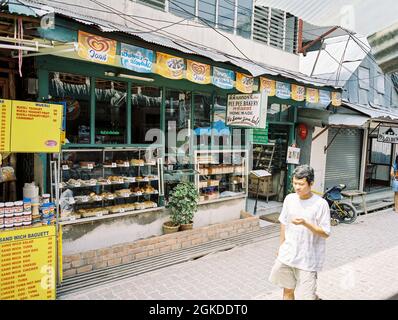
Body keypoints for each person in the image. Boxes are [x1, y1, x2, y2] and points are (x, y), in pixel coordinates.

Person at [268, 165, 331, 300]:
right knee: (288, 291)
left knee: (307, 297)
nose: (297, 187)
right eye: (295, 183)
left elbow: (325, 233)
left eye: (301, 184)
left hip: (308, 259)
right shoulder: (289, 199)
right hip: (288, 254)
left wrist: (305, 223)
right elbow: (284, 223)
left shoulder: (320, 204)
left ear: (311, 183)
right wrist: (281, 246)